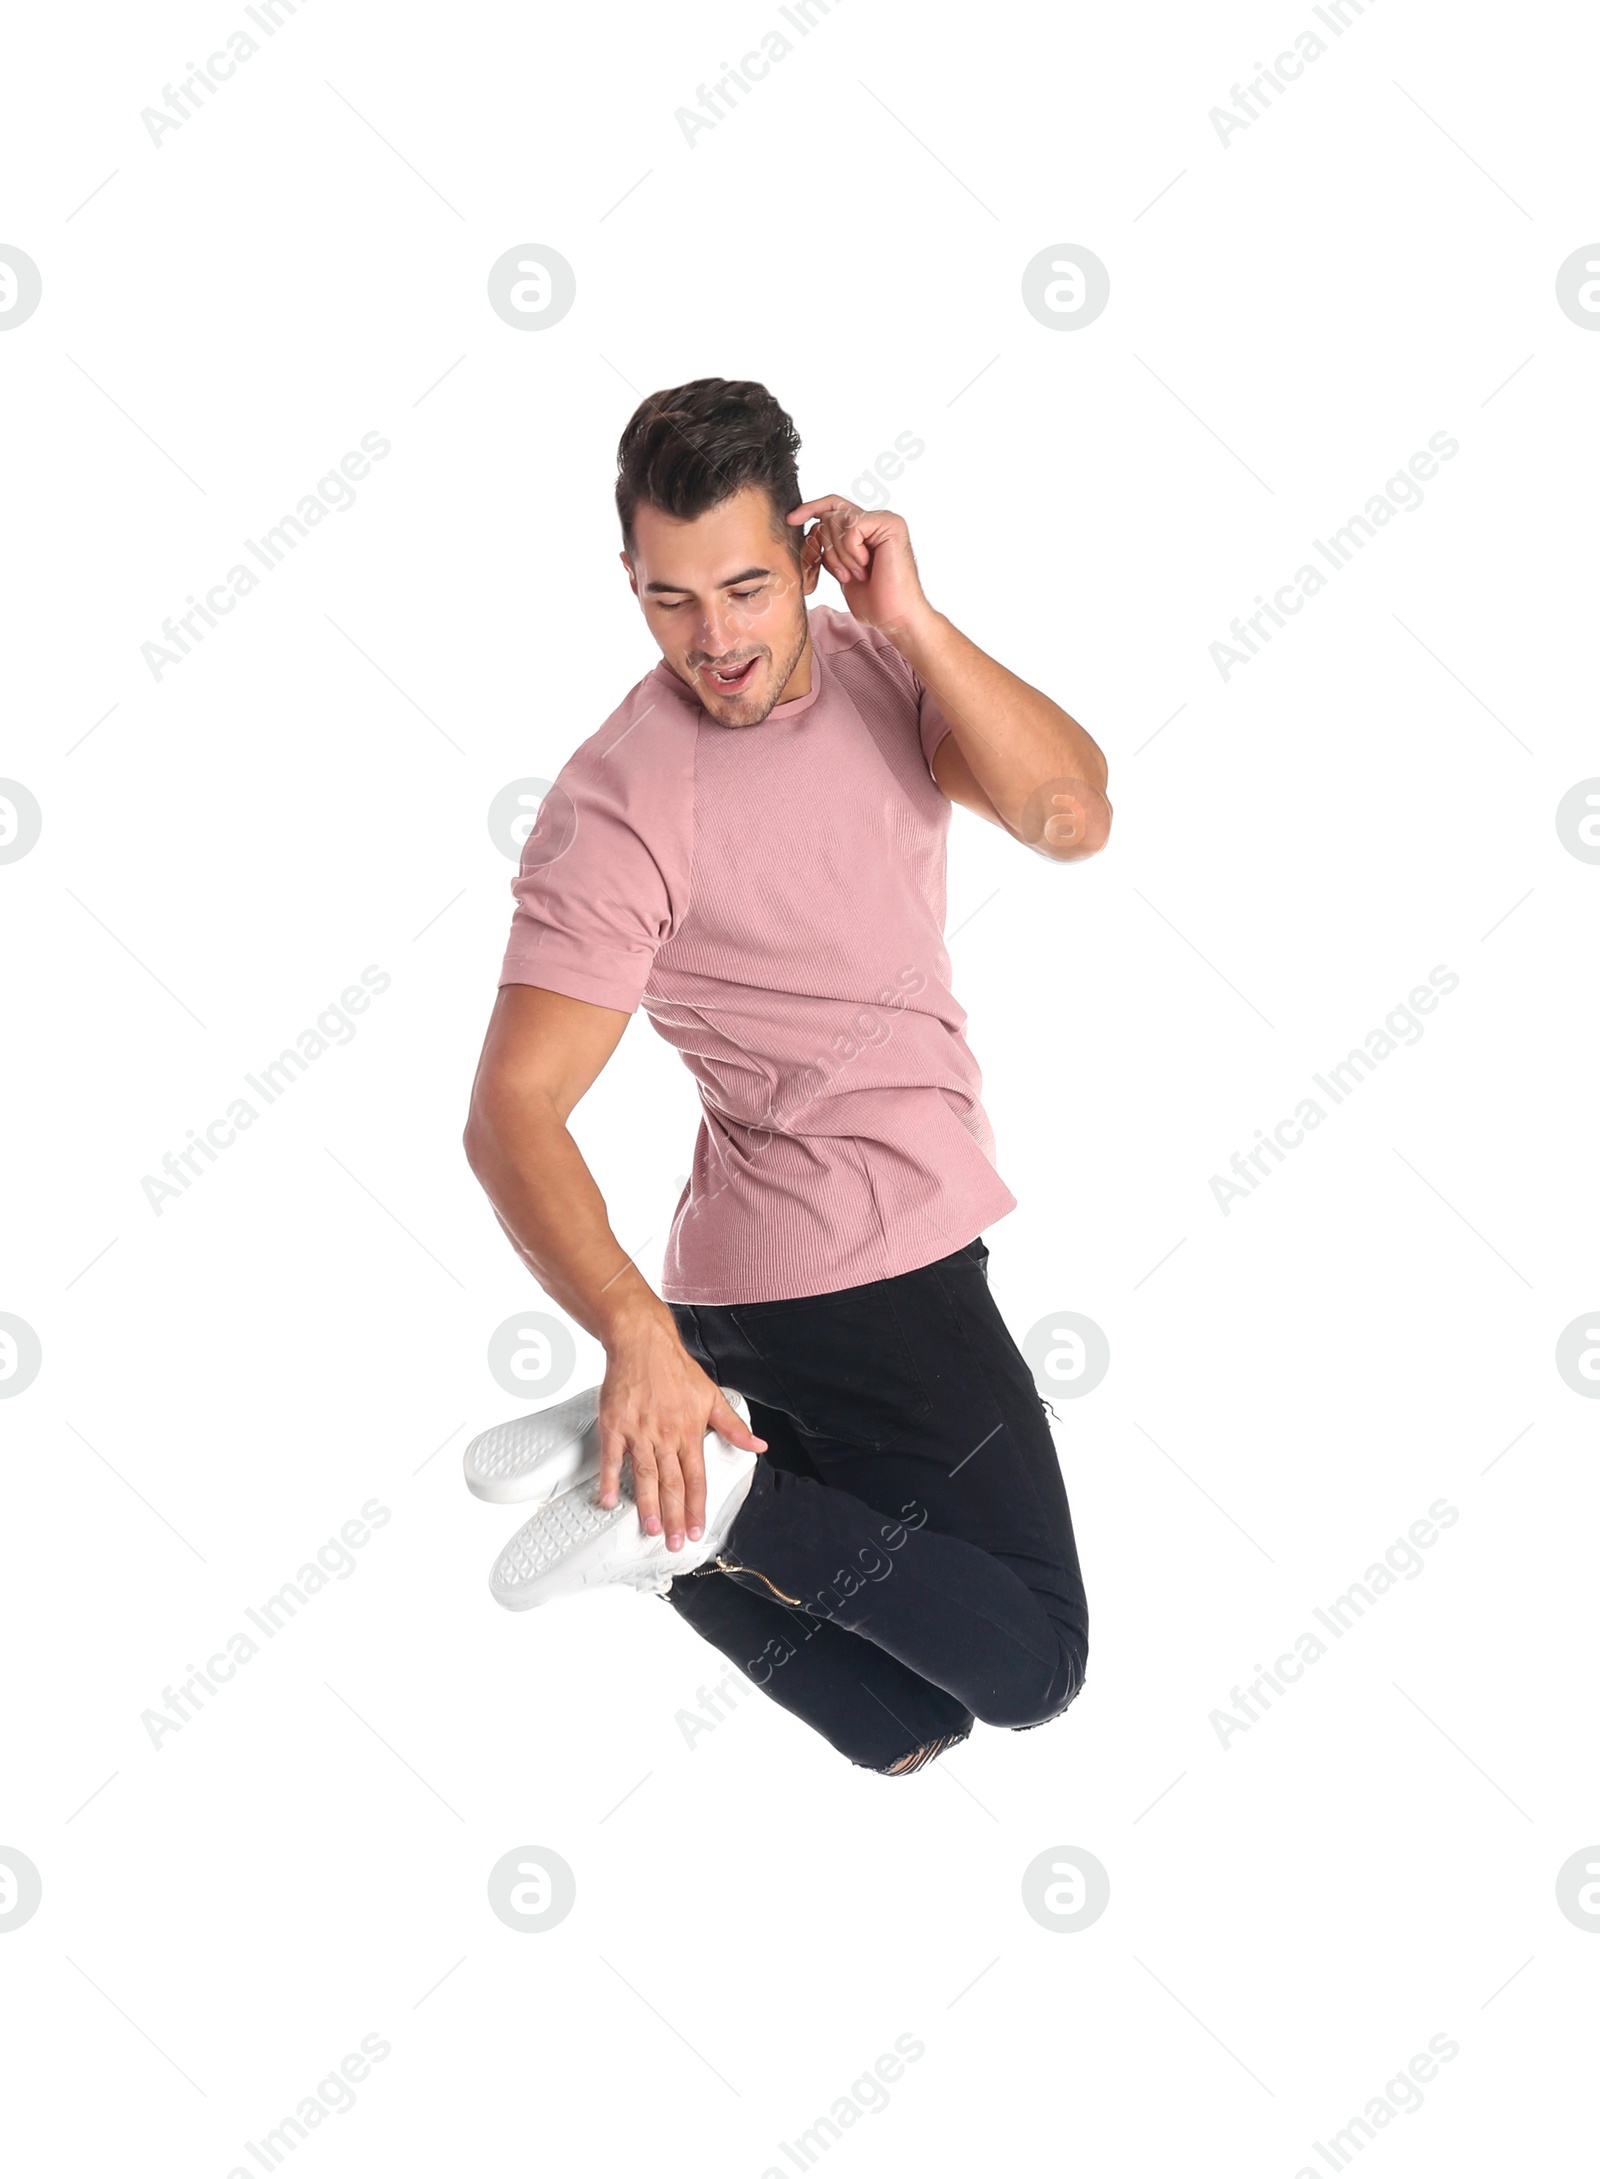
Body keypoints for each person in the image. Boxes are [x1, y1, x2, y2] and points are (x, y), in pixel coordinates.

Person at [463, 378, 1111, 1775]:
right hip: (860, 1269)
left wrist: (917, 622)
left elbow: (1071, 816)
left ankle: (652, 1490)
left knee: (910, 1716)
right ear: (629, 582)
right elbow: (511, 1113)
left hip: (752, 1293)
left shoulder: (882, 668)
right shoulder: (621, 804)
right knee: (1032, 1656)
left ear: (814, 552)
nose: (717, 641)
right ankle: (698, 1506)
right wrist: (636, 1331)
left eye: (749, 589)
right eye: (671, 601)